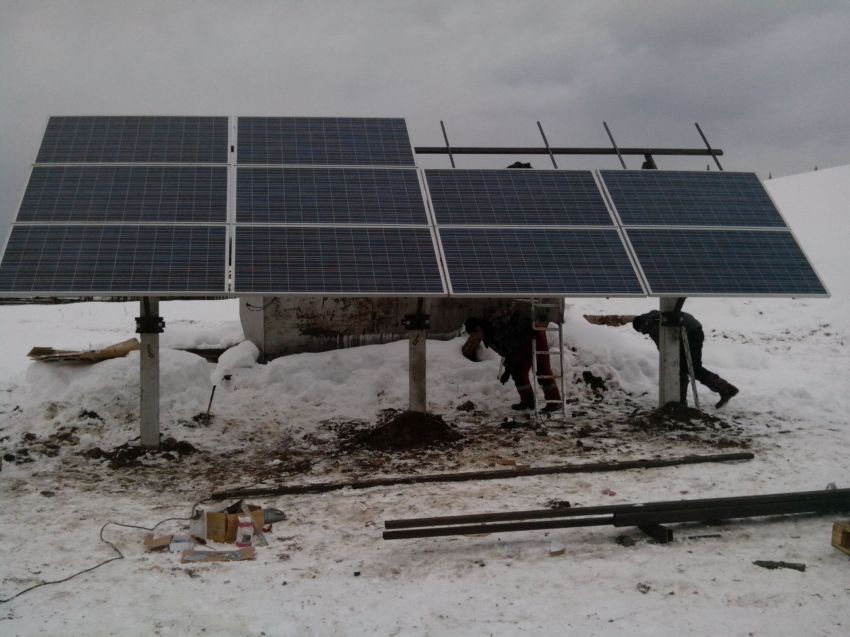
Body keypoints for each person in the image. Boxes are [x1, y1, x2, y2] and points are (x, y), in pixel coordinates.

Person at [464, 304, 562, 412]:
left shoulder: (497, 332)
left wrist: (507, 370)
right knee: (518, 373)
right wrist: (508, 370)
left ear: (478, 328)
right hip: (521, 345)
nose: (474, 338)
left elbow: (513, 353)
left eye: (473, 334)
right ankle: (528, 401)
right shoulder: (489, 335)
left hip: (534, 336)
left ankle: (554, 402)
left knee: (542, 371)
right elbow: (509, 353)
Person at [632, 310, 739, 408]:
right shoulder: (654, 317)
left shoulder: (651, 325)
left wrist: (667, 359)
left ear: (641, 326)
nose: (643, 333)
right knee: (682, 368)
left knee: (693, 368)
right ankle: (680, 401)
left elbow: (663, 345)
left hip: (691, 333)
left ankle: (726, 389)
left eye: (641, 331)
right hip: (691, 330)